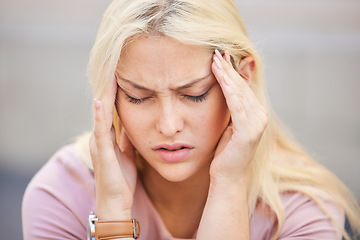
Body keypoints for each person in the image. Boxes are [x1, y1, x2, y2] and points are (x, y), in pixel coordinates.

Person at [22, 0, 360, 239]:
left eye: (194, 93)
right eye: (138, 96)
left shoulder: (301, 213)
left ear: (242, 82)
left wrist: (227, 185)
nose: (168, 126)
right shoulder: (62, 196)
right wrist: (112, 212)